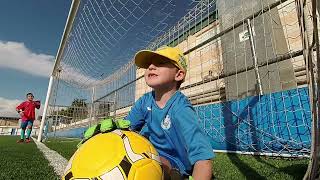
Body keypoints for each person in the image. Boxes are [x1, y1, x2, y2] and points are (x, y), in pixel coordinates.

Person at [125, 46, 214, 179]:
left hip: (175, 163)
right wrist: (110, 133)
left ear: (178, 75)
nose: (151, 67)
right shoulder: (144, 101)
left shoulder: (181, 109)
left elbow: (203, 158)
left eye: (160, 63)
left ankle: (174, 175)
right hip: (150, 153)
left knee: (156, 162)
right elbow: (126, 129)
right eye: (149, 64)